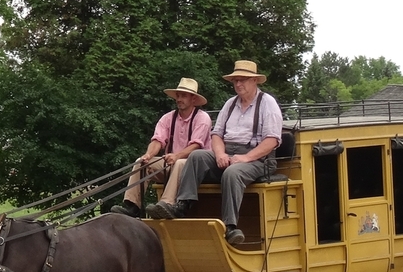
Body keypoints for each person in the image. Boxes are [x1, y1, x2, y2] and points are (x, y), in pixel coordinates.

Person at [148, 61, 282, 246]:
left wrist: (245, 157)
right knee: (196, 157)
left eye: (242, 80)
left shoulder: (268, 104)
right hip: (227, 153)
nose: (238, 84)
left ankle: (231, 226)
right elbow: (217, 135)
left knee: (232, 173)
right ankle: (183, 205)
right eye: (235, 80)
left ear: (254, 81)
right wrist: (219, 154)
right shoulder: (230, 104)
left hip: (258, 158)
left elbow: (272, 140)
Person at [112, 78, 212, 218]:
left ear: (193, 99)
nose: (179, 99)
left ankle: (167, 204)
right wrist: (148, 155)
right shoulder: (167, 118)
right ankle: (132, 206)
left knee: (180, 162)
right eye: (178, 95)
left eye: (184, 96)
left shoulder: (202, 118)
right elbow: (157, 140)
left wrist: (176, 155)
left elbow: (196, 145)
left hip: (194, 167)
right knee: (141, 162)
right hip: (172, 163)